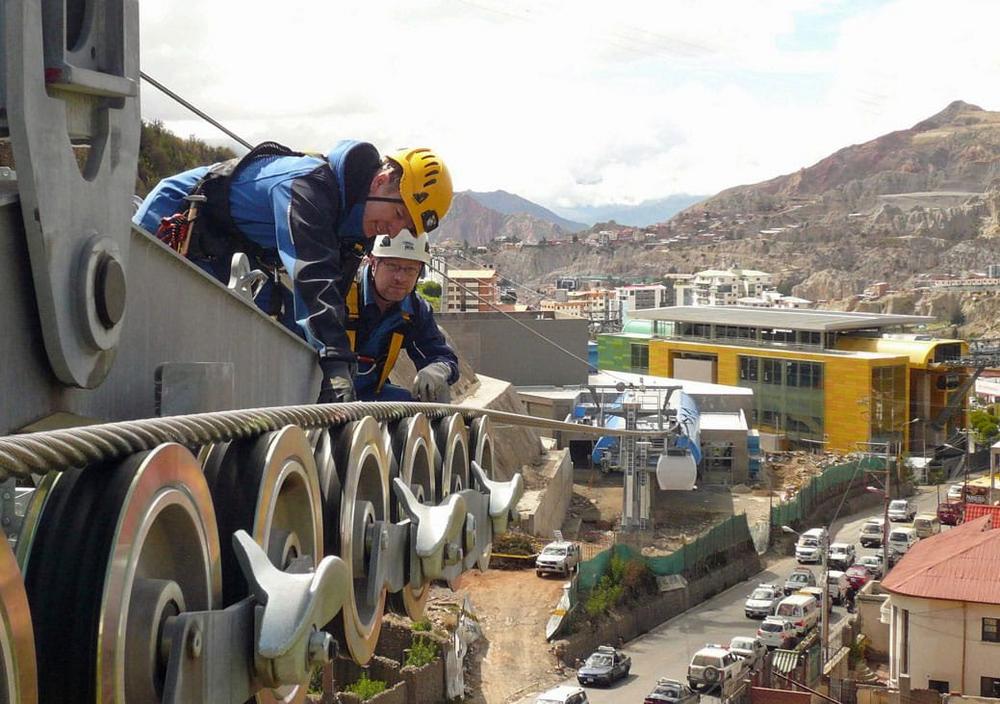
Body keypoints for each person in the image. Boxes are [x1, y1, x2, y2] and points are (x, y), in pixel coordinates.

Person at [132, 140, 453, 402]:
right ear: (380, 181)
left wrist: (336, 368)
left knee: (294, 339)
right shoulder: (309, 186)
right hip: (176, 223)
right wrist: (337, 369)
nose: (394, 231)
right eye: (399, 214)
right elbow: (313, 277)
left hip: (231, 251)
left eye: (406, 226)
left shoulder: (354, 228)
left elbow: (331, 305)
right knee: (148, 346)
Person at [347, 230, 458, 402]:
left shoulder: (413, 310)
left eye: (410, 269)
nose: (400, 277)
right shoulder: (342, 293)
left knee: (429, 400)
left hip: (370, 394)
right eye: (392, 266)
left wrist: (438, 369)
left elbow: (440, 355)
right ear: (373, 262)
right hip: (323, 391)